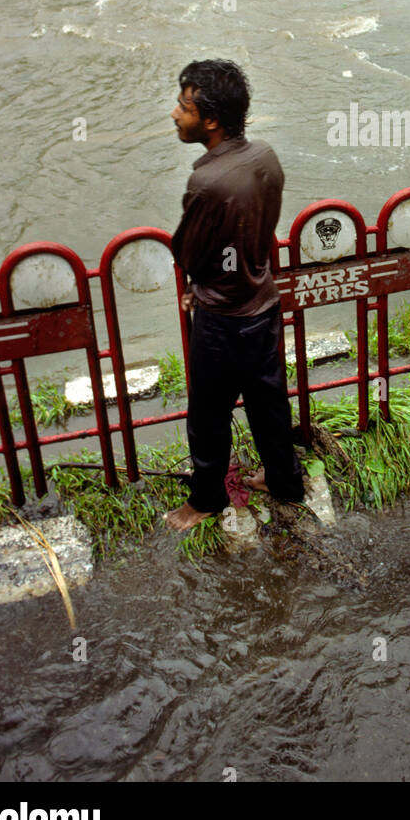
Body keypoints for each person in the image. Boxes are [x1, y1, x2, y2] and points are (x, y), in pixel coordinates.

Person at [165, 59, 304, 531]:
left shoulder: (207, 182)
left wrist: (197, 286)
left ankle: (205, 500)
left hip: (222, 319)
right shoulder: (265, 157)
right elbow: (260, 228)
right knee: (269, 400)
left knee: (208, 412)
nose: (174, 115)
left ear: (210, 120)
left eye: (183, 106)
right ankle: (284, 479)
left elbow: (189, 250)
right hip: (262, 304)